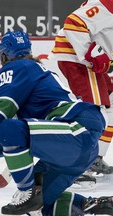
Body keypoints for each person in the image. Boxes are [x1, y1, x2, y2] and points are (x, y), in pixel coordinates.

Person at [0, 30, 113, 215]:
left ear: (5, 55)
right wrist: (0, 140)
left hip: (76, 128)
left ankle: (27, 192)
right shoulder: (37, 72)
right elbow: (16, 136)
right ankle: (92, 205)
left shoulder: (18, 67)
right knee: (38, 207)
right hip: (78, 143)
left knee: (9, 131)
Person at [50, 0, 113, 178]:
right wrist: (92, 54)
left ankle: (94, 157)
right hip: (78, 60)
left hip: (88, 62)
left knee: (110, 103)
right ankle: (75, 165)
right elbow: (74, 23)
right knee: (93, 113)